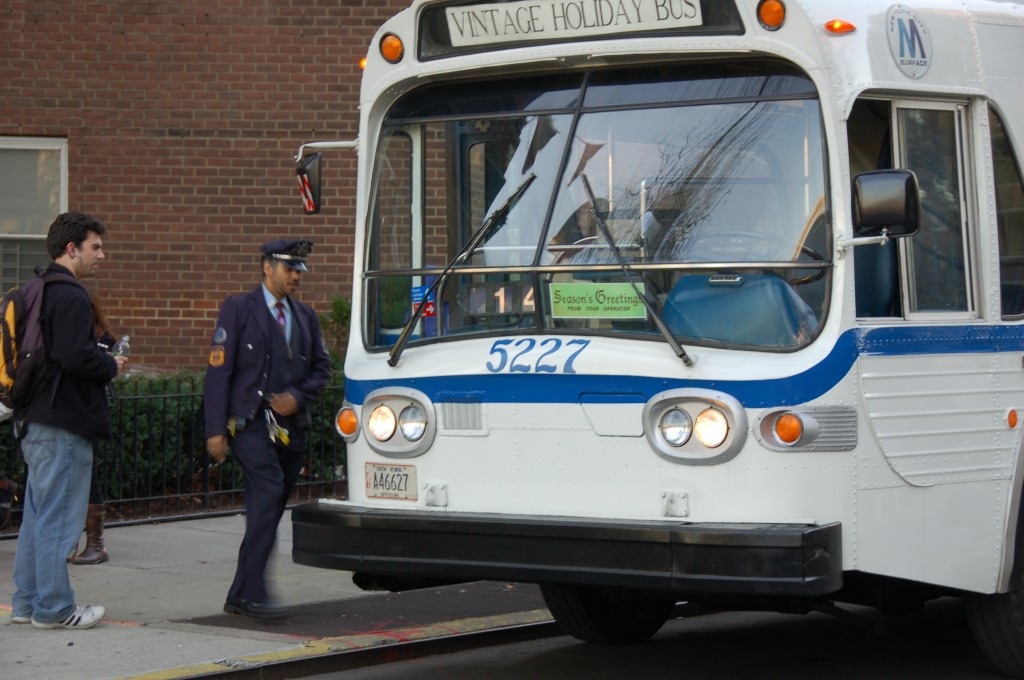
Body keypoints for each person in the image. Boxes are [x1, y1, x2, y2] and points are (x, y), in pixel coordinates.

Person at [10, 211, 127, 629]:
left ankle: (26, 604)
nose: (102, 255)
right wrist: (110, 365)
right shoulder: (71, 295)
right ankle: (55, 608)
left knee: (37, 518)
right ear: (72, 248)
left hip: (33, 417)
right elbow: (75, 356)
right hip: (65, 421)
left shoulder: (35, 290)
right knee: (59, 519)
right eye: (96, 247)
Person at [204, 239, 331, 619]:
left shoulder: (305, 316)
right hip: (250, 424)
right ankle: (254, 594)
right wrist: (215, 431)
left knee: (269, 508)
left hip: (291, 427)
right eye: (289, 269)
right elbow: (218, 372)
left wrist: (298, 395)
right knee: (269, 491)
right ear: (267, 267)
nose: (296, 277)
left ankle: (240, 592)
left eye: (299, 270)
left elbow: (322, 369)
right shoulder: (239, 309)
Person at [67, 293, 118, 565]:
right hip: (72, 410)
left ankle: (96, 543)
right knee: (69, 477)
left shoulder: (100, 336)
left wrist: (109, 361)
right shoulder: (71, 335)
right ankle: (71, 540)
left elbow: (95, 366)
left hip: (88, 411)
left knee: (88, 475)